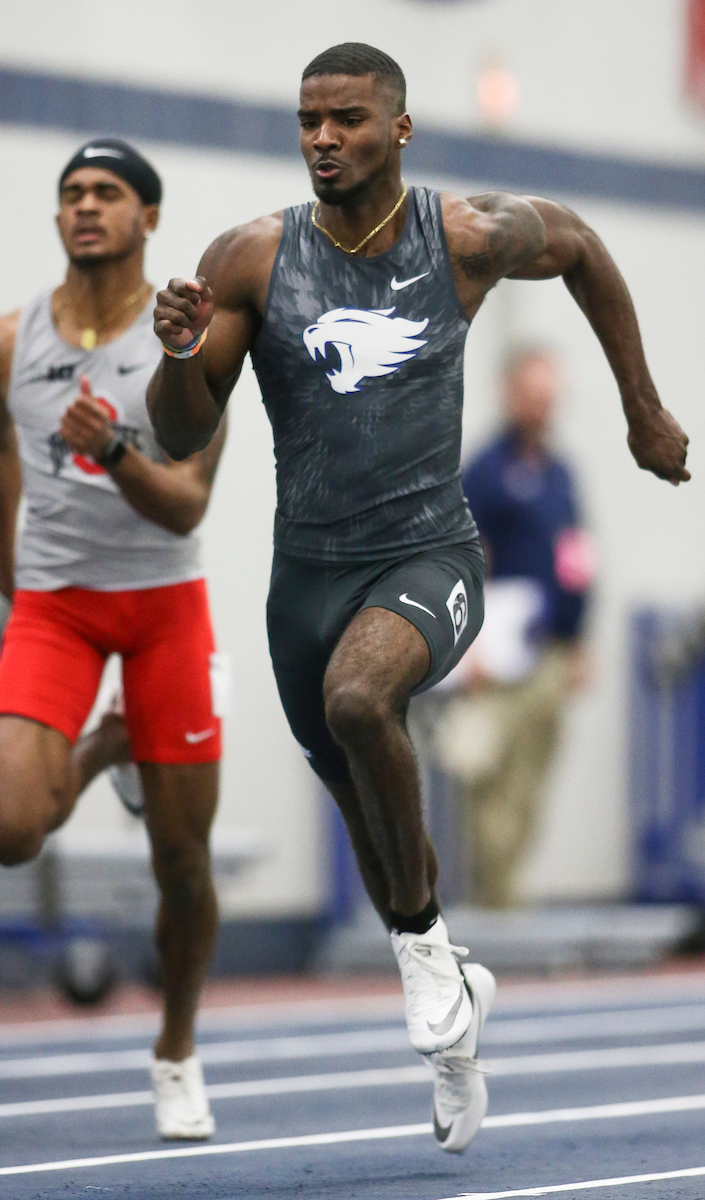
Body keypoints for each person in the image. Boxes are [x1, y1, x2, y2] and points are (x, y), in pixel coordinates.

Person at [145, 43, 689, 1154]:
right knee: (380, 834)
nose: (322, 139)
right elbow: (182, 431)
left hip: (428, 558)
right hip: (304, 580)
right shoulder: (250, 258)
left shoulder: (466, 237)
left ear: (398, 128)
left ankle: (428, 964)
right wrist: (180, 353)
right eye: (308, 120)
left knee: (360, 701)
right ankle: (447, 1006)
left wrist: (641, 407)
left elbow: (583, 248)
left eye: (346, 119)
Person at [0, 138, 226, 1142]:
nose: (85, 206)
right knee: (8, 830)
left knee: (182, 863)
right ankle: (108, 744)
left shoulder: (189, 341)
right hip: (59, 606)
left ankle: (176, 1050)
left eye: (108, 192)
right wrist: (7, 568)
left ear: (147, 218)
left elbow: (187, 506)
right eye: (71, 193)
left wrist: (113, 448)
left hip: (163, 605)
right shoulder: (3, 340)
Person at [439, 346, 595, 908]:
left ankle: (506, 895)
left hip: (549, 651)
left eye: (549, 397)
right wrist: (467, 647)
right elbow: (463, 558)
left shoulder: (561, 476)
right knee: (490, 782)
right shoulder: (485, 473)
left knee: (531, 781)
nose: (541, 407)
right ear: (510, 395)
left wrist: (580, 641)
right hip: (498, 655)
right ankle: (495, 904)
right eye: (532, 396)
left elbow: (576, 557)